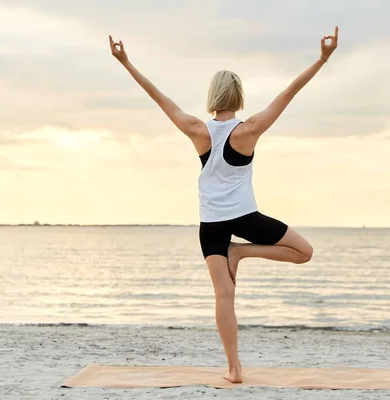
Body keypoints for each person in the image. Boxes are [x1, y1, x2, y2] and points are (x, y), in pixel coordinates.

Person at [109, 27, 339, 384]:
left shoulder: (196, 128)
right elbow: (288, 93)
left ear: (212, 95)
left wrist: (125, 62)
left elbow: (157, 96)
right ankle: (243, 253)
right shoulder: (249, 130)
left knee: (224, 295)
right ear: (239, 96)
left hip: (211, 224)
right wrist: (322, 59)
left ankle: (233, 368)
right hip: (245, 219)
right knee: (304, 252)